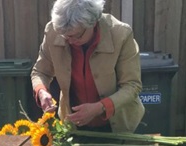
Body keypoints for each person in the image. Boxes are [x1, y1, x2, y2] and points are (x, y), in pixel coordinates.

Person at [31, 0, 145, 133]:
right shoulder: (53, 31)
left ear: (93, 22)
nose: (70, 41)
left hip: (118, 125)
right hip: (73, 125)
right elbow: (40, 72)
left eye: (76, 36)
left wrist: (99, 107)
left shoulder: (121, 34)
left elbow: (132, 85)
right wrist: (42, 91)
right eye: (65, 36)